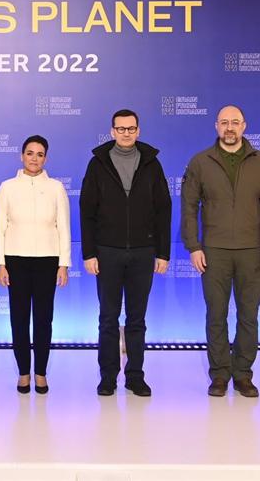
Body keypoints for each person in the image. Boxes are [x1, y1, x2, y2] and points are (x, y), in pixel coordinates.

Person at [181, 105, 260, 398]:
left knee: (248, 316)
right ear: (216, 126)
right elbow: (189, 208)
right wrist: (194, 246)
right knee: (216, 315)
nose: (229, 128)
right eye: (224, 122)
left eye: (234, 122)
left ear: (244, 126)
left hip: (252, 251)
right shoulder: (200, 162)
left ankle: (243, 375)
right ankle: (219, 376)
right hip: (214, 252)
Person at [80, 109, 171, 397]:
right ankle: (108, 377)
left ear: (138, 131)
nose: (126, 133)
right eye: (121, 129)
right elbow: (87, 212)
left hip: (144, 253)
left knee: (137, 320)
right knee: (108, 318)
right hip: (106, 252)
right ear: (112, 132)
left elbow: (163, 211)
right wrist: (89, 253)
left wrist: (163, 253)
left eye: (131, 128)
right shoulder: (97, 165)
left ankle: (135, 376)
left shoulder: (152, 164)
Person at [0, 135, 71, 394]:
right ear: (21, 156)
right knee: (19, 320)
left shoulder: (56, 188)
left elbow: (63, 228)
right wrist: (0, 264)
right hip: (16, 261)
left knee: (43, 320)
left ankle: (41, 374)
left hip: (48, 261)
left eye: (39, 154)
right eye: (29, 153)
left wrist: (63, 264)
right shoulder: (7, 187)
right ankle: (23, 373)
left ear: (45, 158)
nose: (34, 158)